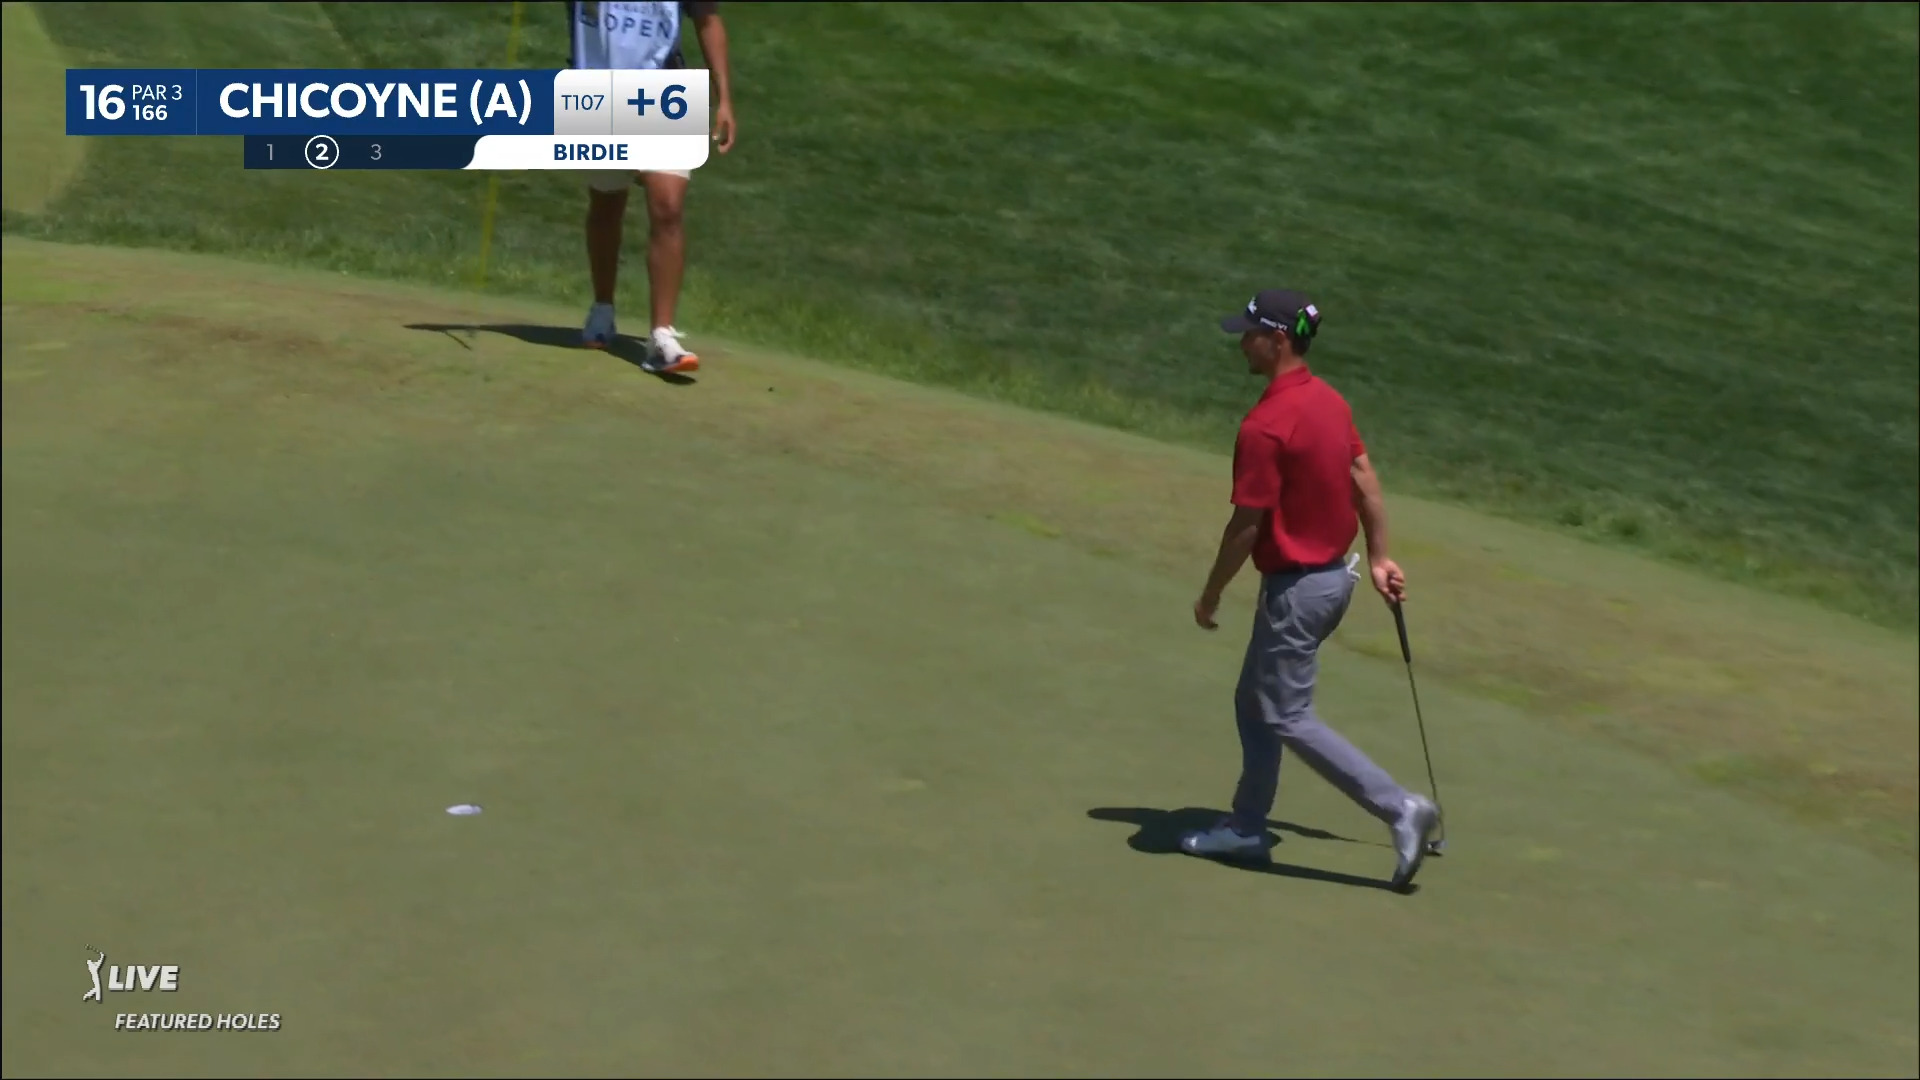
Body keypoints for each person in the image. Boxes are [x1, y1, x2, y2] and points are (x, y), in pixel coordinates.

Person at [1184, 288, 1442, 891]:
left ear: (1277, 340)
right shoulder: (1328, 401)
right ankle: (1247, 827)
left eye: (1249, 334)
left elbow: (1245, 526)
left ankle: (1399, 808)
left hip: (1297, 591)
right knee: (1255, 703)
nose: (1240, 342)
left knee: (1287, 714)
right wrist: (1379, 556)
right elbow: (1363, 477)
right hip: (1332, 582)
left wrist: (1211, 594)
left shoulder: (1265, 425)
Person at [570, 1, 736, 374]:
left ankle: (662, 335)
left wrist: (723, 97)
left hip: (665, 87)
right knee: (606, 202)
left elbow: (707, 19)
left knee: (668, 206)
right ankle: (602, 309)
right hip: (596, 92)